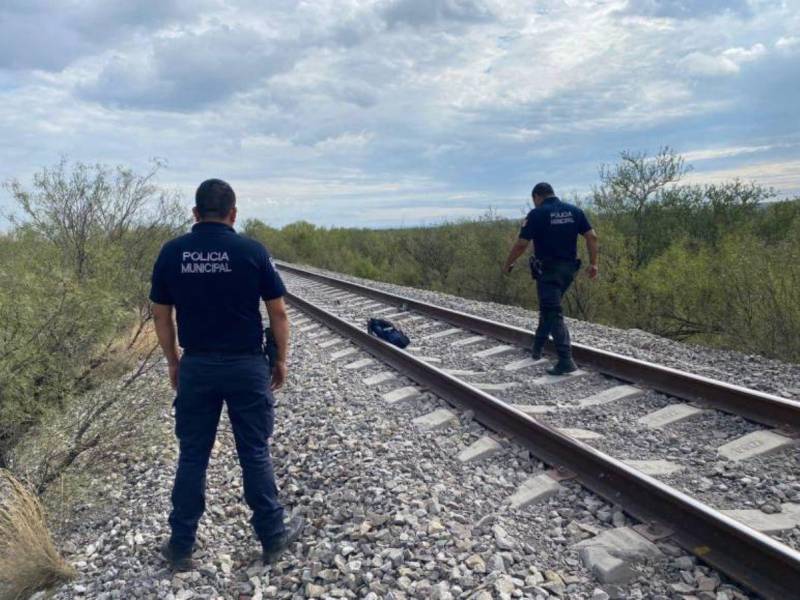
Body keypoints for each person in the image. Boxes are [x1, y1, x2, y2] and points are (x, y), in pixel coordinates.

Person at [150, 178, 303, 571]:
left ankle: (181, 546)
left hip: (197, 366)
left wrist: (173, 361)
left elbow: (161, 315)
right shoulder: (251, 250)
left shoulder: (173, 252)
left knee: (192, 456)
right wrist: (281, 359)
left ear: (195, 213)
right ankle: (271, 538)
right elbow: (278, 313)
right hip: (246, 366)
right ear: (233, 214)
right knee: (253, 452)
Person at [502, 182, 599, 375]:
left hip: (548, 271)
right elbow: (592, 237)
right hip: (569, 270)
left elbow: (522, 244)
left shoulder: (537, 214)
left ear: (537, 197)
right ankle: (536, 349)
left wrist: (508, 264)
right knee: (548, 308)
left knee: (553, 311)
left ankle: (566, 360)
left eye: (534, 200)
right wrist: (594, 263)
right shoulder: (574, 211)